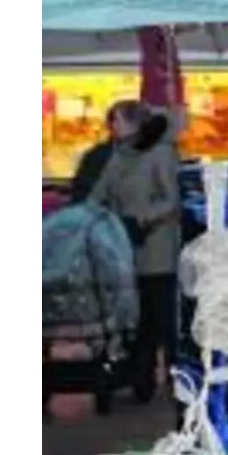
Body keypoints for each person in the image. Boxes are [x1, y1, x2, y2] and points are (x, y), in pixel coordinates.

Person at [73, 99, 179, 402]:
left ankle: (174, 379)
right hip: (125, 251)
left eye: (116, 121)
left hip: (158, 252)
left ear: (134, 123)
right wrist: (88, 218)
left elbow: (171, 199)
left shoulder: (161, 153)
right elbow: (99, 193)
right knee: (137, 320)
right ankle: (139, 379)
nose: (112, 127)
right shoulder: (119, 155)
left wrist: (143, 220)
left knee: (163, 318)